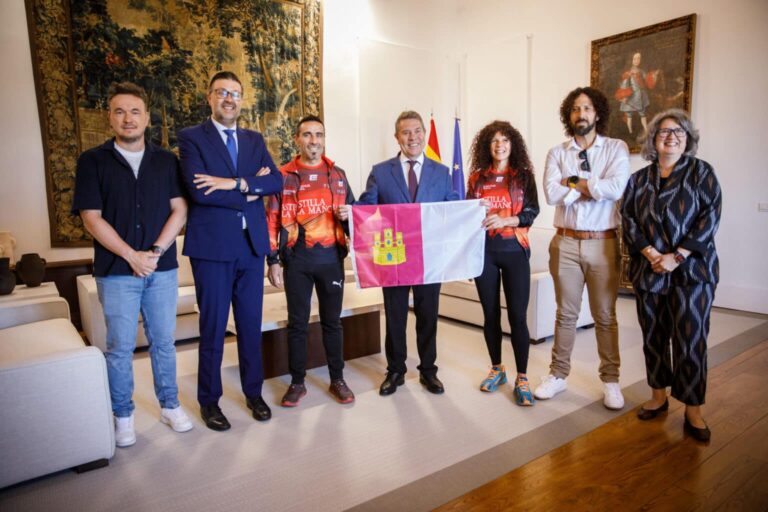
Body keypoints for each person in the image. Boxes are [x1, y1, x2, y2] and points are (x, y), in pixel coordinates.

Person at [72, 81, 192, 447]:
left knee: (163, 342)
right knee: (121, 346)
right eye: (120, 111)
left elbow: (180, 209)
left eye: (135, 111)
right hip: (116, 271)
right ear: (109, 117)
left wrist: (153, 253)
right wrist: (131, 255)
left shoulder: (165, 161)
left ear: (147, 118)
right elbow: (91, 217)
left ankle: (170, 405)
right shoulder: (92, 161)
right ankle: (123, 415)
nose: (128, 118)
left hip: (162, 268)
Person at [178, 71, 283, 431]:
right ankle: (209, 401)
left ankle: (253, 393)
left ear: (241, 100)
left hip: (251, 247)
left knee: (250, 326)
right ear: (209, 97)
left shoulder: (254, 139)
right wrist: (250, 191)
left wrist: (234, 183)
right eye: (222, 92)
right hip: (211, 249)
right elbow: (199, 191)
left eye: (235, 94)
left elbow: (276, 182)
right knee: (213, 327)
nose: (229, 99)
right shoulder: (191, 137)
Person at [621, 109, 721, 442]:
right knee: (653, 336)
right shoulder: (638, 179)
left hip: (693, 272)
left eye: (679, 132)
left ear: (688, 138)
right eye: (664, 131)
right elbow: (629, 220)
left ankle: (693, 409)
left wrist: (676, 257)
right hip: (649, 271)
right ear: (652, 139)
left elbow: (709, 219)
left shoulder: (701, 172)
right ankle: (658, 396)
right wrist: (652, 254)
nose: (671, 136)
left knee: (691, 339)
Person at [534, 87, 630, 410]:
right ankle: (558, 375)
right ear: (568, 115)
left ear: (597, 113)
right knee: (565, 314)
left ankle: (611, 381)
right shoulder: (557, 153)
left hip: (603, 243)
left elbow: (616, 187)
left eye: (587, 108)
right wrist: (587, 187)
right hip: (565, 242)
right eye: (575, 109)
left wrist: (573, 183)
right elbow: (550, 194)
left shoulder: (616, 148)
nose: (581, 114)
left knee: (605, 315)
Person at [357, 111, 459, 396]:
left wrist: (474, 212)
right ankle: (396, 371)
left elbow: (452, 210)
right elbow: (368, 209)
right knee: (395, 317)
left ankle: (428, 371)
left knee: (428, 316)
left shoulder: (441, 172)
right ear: (397, 137)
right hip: (394, 257)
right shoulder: (380, 171)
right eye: (405, 132)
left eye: (416, 131)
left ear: (424, 133)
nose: (412, 137)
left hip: (429, 259)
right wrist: (350, 211)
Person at [266, 115, 356, 406]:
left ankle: (337, 379)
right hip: (297, 261)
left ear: (324, 139)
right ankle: (297, 382)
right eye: (307, 135)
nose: (313, 140)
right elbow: (272, 220)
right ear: (297, 139)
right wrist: (273, 260)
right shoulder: (283, 176)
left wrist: (349, 217)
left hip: (331, 259)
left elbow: (356, 215)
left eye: (318, 135)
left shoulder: (338, 175)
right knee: (298, 324)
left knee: (333, 322)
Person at [466, 121, 539, 405]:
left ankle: (522, 377)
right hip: (484, 252)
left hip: (515, 251)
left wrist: (507, 219)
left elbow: (532, 212)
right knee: (490, 315)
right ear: (487, 145)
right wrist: (475, 210)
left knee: (517, 318)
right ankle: (497, 369)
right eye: (494, 140)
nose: (499, 145)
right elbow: (466, 214)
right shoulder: (476, 179)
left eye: (504, 140)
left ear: (513, 144)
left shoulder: (523, 176)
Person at [615, 51, 659, 136]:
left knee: (643, 114)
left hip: (641, 96)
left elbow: (647, 81)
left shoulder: (642, 71)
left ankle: (646, 131)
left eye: (639, 58)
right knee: (629, 115)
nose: (637, 60)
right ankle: (630, 132)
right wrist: (624, 96)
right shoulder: (627, 73)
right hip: (631, 96)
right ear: (631, 60)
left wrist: (654, 75)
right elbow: (624, 85)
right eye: (635, 58)